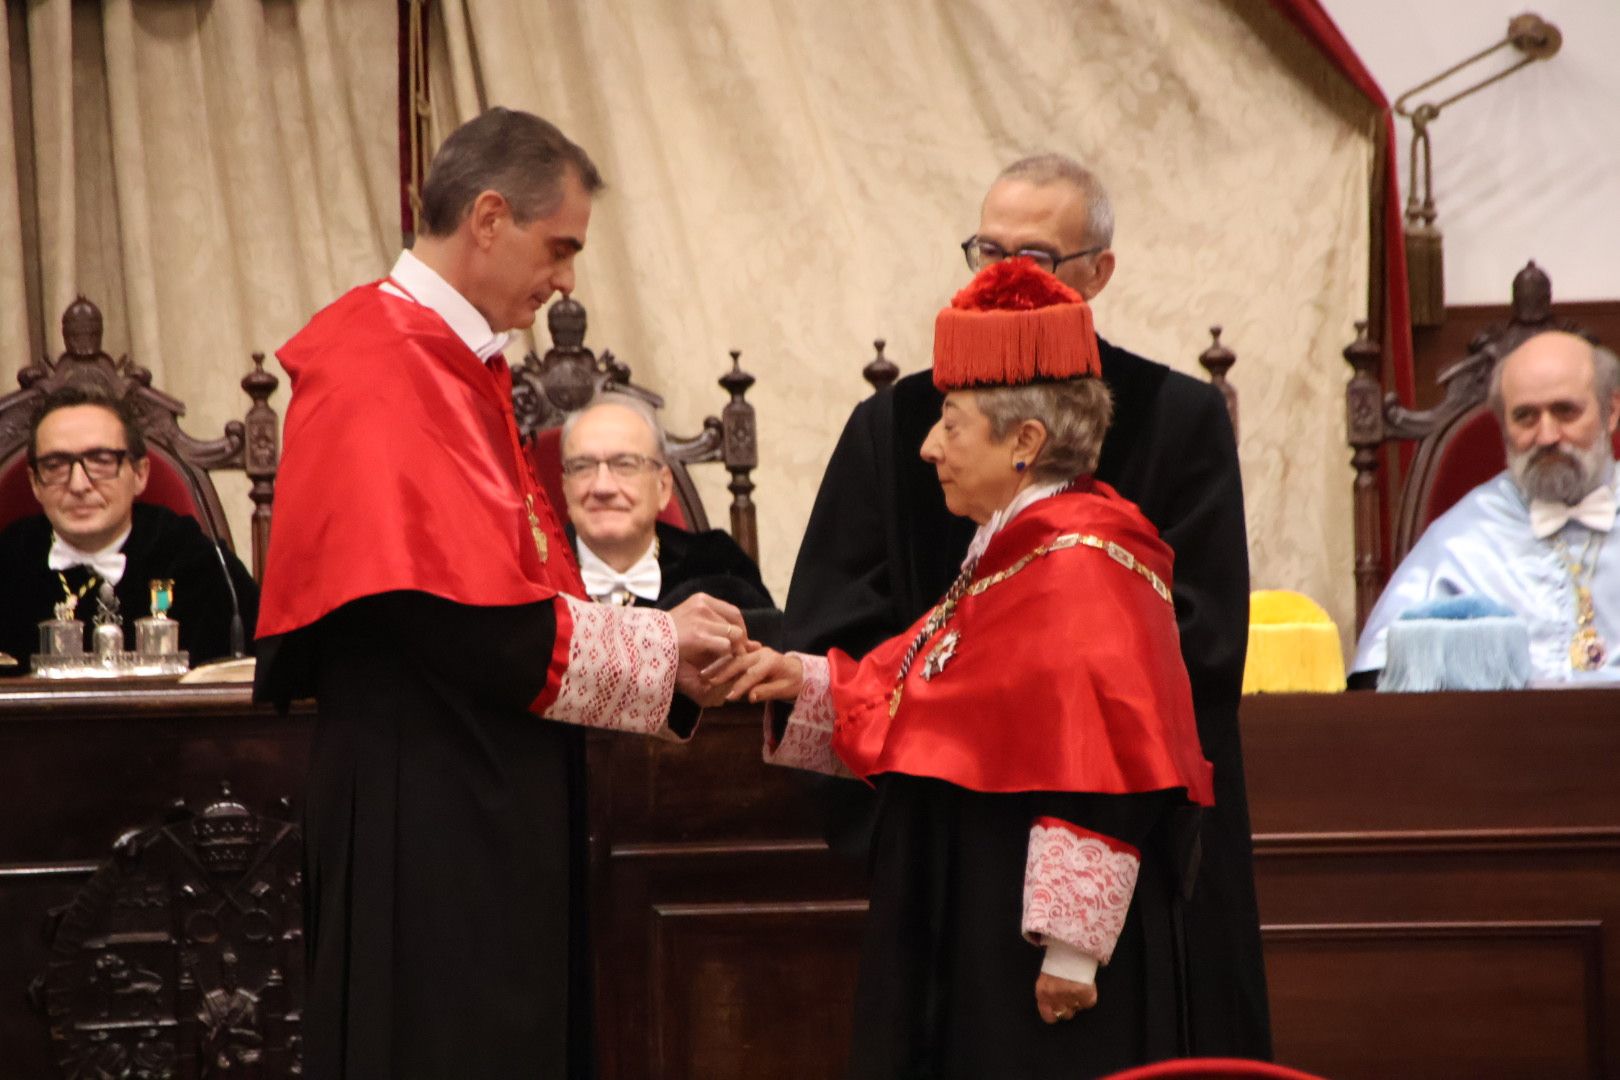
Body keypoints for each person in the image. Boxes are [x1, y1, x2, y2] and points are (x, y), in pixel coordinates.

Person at [252, 108, 747, 1078]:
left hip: (470, 773)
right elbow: (459, 619)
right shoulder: (384, 365)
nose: (567, 279)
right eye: (558, 245)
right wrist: (658, 648)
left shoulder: (441, 356)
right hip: (430, 794)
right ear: (488, 217)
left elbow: (499, 578)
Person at [783, 154, 1268, 1057]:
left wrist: (993, 712)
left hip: (1110, 852)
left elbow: (1191, 654)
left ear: (1099, 273)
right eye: (986, 251)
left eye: (1037, 258)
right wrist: (810, 688)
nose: (1004, 277)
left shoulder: (1176, 420)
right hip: (941, 845)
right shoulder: (895, 429)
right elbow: (859, 627)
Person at [710, 259, 1214, 1077]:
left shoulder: (1087, 562)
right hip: (974, 903)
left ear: (1025, 442)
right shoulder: (1012, 551)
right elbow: (934, 688)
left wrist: (1072, 953)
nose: (926, 446)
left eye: (950, 421)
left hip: (1030, 954)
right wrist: (805, 682)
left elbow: (1112, 764)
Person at [1352, 331, 1620, 684]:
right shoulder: (1461, 540)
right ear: (1504, 425)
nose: (1547, 436)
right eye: (1525, 417)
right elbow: (1381, 679)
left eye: (1565, 411)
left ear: (1611, 411)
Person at [0, 384, 258, 672]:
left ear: (139, 474)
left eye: (100, 461)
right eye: (56, 465)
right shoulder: (8, 562)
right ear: (35, 483)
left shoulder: (197, 563)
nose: (78, 485)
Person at [561, 393, 774, 618]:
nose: (603, 487)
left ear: (662, 487)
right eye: (582, 466)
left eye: (625, 464)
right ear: (565, 488)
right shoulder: (532, 576)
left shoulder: (718, 566)